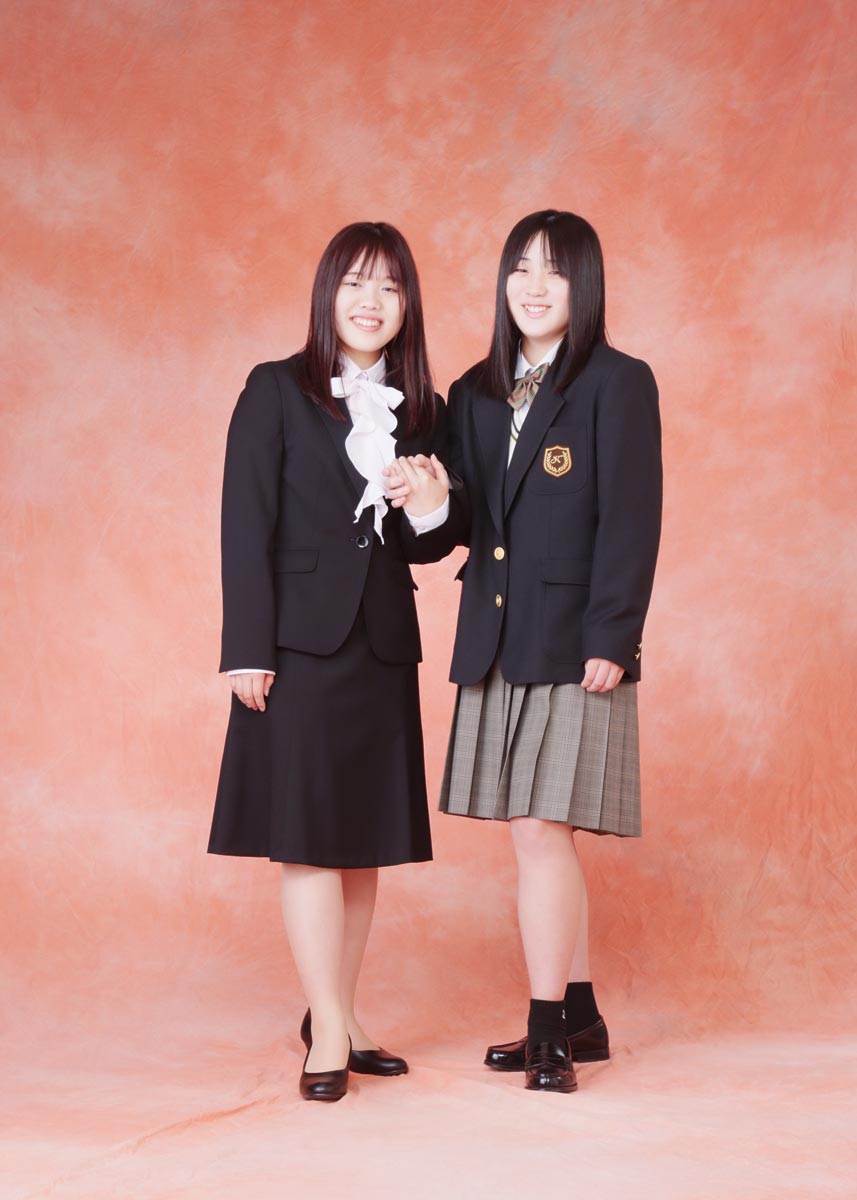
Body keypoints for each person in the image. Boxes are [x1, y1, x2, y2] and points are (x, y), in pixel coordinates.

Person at [388, 209, 662, 1093]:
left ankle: (547, 1034)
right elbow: (452, 529)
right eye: (520, 268)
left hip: (578, 641)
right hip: (497, 637)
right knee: (539, 837)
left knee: (542, 831)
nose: (534, 286)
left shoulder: (618, 381)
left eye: (554, 269)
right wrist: (427, 502)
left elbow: (630, 518)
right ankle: (580, 1015)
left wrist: (614, 634)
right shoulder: (472, 391)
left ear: (586, 284)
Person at [208, 222, 450, 1102]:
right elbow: (244, 524)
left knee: (361, 845)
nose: (370, 301)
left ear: (407, 304)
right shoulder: (274, 388)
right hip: (297, 648)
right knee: (308, 843)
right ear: (326, 293)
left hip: (382, 645)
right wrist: (247, 650)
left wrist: (432, 506)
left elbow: (434, 541)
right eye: (354, 283)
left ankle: (338, 1017)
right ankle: (328, 1033)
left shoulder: (424, 409)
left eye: (389, 286)